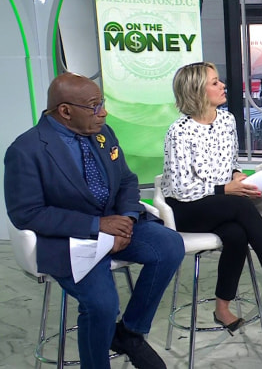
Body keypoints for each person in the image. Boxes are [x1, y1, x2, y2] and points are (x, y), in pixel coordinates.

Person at [4, 73, 185, 369]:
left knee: (170, 245)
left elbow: (126, 180)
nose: (104, 112)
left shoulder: (103, 133)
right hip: (71, 239)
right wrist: (96, 225)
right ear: (65, 111)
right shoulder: (26, 150)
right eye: (94, 106)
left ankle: (130, 333)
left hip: (116, 224)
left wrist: (126, 219)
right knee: (102, 305)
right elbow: (27, 213)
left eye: (102, 103)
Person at [161, 62, 262, 333]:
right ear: (196, 90)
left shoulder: (227, 120)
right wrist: (224, 190)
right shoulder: (179, 132)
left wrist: (237, 176)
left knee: (236, 235)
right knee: (239, 205)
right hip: (185, 208)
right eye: (214, 82)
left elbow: (231, 163)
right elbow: (180, 188)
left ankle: (222, 309)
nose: (223, 85)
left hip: (221, 205)